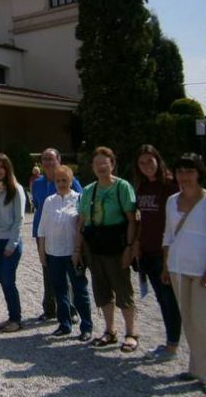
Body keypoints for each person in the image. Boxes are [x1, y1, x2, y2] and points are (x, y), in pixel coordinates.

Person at [163, 153, 206, 395]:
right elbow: (168, 235)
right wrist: (166, 266)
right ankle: (197, 367)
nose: (184, 176)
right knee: (188, 321)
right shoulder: (172, 201)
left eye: (189, 171)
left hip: (203, 271)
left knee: (202, 321)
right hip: (180, 268)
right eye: (180, 171)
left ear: (199, 173)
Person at [76, 147, 139, 352]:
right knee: (101, 290)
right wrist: (78, 249)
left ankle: (131, 332)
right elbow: (82, 221)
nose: (101, 167)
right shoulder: (88, 191)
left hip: (116, 245)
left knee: (123, 289)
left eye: (105, 162)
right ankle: (110, 330)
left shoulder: (122, 187)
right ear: (93, 167)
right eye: (97, 164)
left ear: (112, 164)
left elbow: (131, 220)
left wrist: (130, 247)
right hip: (95, 247)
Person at [133, 144, 181, 361]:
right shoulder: (142, 187)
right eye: (142, 163)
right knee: (162, 299)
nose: (146, 166)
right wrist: (136, 242)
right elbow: (141, 218)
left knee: (170, 300)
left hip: (166, 251)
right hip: (148, 250)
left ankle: (172, 345)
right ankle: (170, 342)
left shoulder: (170, 185)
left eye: (149, 161)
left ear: (157, 161)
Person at [37, 166, 93, 341]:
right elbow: (42, 229)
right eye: (58, 180)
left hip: (73, 253)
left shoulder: (79, 199)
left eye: (64, 180)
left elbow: (83, 227)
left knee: (79, 289)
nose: (61, 184)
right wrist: (42, 252)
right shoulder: (49, 201)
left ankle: (86, 326)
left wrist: (80, 251)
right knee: (59, 290)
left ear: (71, 181)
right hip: (54, 253)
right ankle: (64, 324)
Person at [32, 148, 82, 322]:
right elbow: (37, 206)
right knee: (47, 271)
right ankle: (50, 308)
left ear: (59, 160)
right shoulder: (37, 183)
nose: (48, 162)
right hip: (44, 233)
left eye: (51, 159)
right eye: (45, 159)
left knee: (68, 274)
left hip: (67, 235)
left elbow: (79, 204)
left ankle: (72, 310)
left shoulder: (71, 180)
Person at [0, 153, 26, 333]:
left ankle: (17, 319)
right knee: (2, 280)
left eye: (1, 166)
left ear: (7, 167)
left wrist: (12, 244)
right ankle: (11, 316)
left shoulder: (16, 189)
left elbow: (19, 219)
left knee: (9, 281)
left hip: (10, 243)